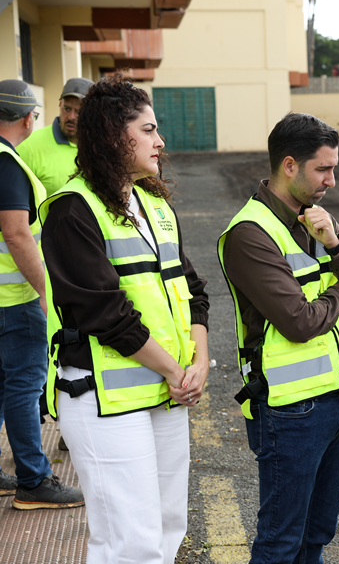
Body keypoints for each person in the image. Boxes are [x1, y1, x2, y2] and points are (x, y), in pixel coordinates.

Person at [40, 74, 210, 564]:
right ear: (116, 135)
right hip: (103, 400)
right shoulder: (72, 210)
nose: (160, 141)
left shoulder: (154, 205)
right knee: (127, 543)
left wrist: (199, 361)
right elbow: (106, 314)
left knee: (167, 527)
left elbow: (195, 292)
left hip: (165, 391)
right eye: (149, 129)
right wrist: (177, 371)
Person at [218, 112, 339, 564]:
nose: (332, 179)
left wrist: (335, 245)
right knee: (280, 542)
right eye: (323, 169)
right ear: (289, 165)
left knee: (317, 536)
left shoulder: (316, 219)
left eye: (333, 168)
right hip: (290, 411)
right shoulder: (249, 234)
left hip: (336, 401)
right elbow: (299, 322)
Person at [0, 79, 84, 509]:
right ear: (29, 117)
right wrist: (44, 290)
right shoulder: (8, 162)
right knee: (24, 385)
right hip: (13, 300)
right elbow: (17, 233)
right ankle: (34, 480)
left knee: (4, 386)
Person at [19, 77, 93, 195]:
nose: (71, 117)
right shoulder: (29, 146)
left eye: (79, 111)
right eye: (67, 109)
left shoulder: (101, 147)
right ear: (60, 105)